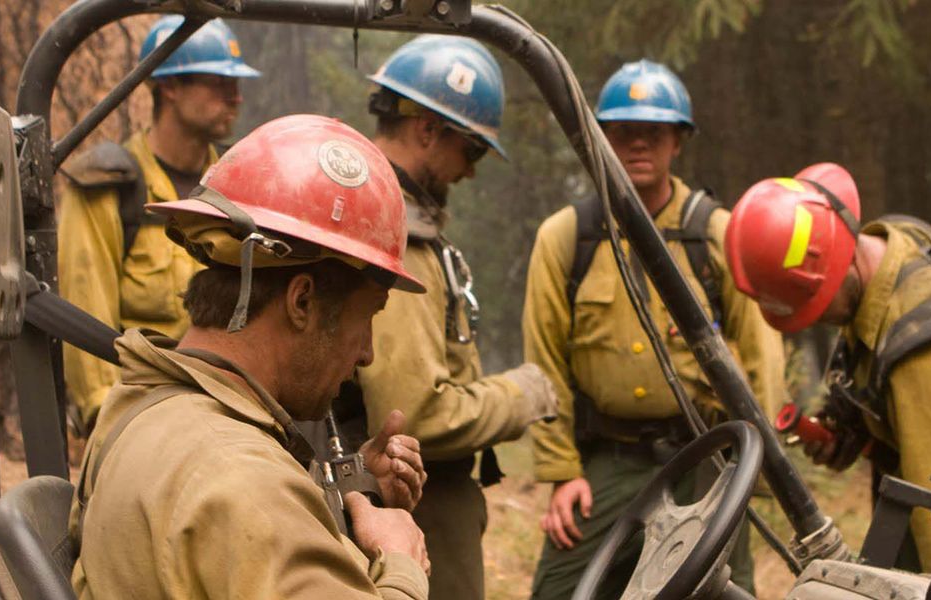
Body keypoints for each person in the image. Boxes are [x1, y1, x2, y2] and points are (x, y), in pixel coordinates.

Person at [69, 115, 432, 598]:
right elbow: (247, 504)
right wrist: (401, 563)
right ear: (301, 302)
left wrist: (355, 490)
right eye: (366, 318)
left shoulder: (139, 407)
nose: (366, 354)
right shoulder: (239, 479)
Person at [524, 60, 787, 599]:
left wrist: (755, 471)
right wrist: (560, 472)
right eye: (622, 133)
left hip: (708, 459)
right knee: (561, 591)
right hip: (607, 462)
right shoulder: (566, 237)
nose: (637, 146)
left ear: (678, 142)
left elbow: (763, 355)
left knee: (723, 593)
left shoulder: (716, 234)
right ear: (599, 140)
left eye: (654, 133)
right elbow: (544, 361)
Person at [723, 162, 931, 572]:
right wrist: (854, 431)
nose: (813, 319)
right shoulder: (888, 246)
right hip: (917, 493)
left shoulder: (921, 353)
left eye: (817, 302)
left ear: (841, 263)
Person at [352, 35, 558, 599]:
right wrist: (522, 395)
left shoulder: (383, 217)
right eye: (472, 151)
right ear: (427, 129)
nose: (471, 173)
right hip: (412, 509)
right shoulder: (397, 236)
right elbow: (413, 413)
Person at [58, 16, 259, 429]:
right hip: (141, 419)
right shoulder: (110, 188)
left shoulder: (239, 190)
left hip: (231, 419)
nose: (236, 98)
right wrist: (110, 424)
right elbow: (86, 317)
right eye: (220, 84)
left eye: (235, 85)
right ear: (169, 87)